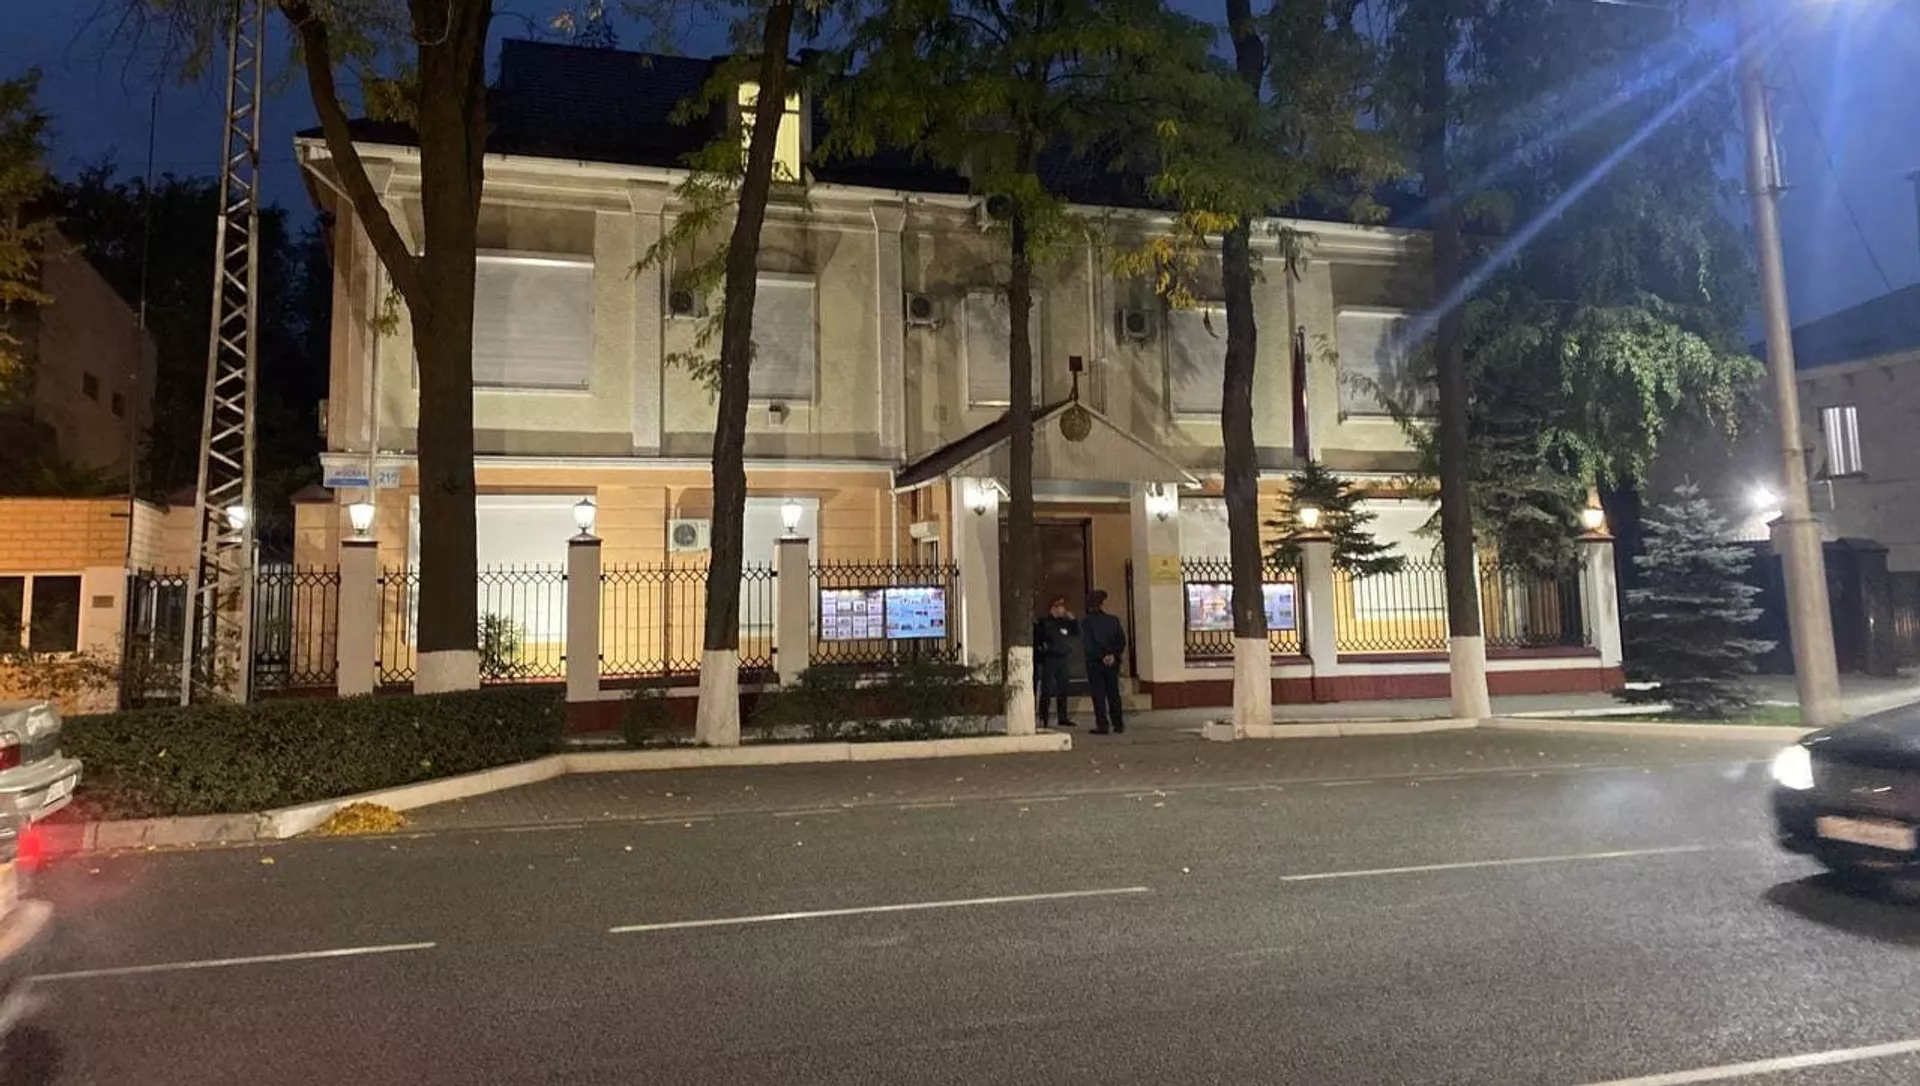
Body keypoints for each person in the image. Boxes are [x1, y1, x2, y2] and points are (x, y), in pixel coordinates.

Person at [1080, 589, 1128, 734]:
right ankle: (1118, 724)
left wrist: (1101, 656)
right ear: (1102, 604)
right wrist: (1112, 655)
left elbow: (1088, 644)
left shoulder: (1086, 623)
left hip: (1095, 663)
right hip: (1112, 663)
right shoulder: (1113, 620)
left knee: (1098, 695)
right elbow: (1121, 641)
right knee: (1113, 693)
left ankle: (1102, 725)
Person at [1032, 597, 1078, 729]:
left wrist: (1073, 620)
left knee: (1063, 688)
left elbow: (1076, 633)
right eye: (1061, 607)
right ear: (1054, 608)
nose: (1064, 609)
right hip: (1050, 658)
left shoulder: (1065, 623)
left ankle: (1063, 717)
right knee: (1047, 689)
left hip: (1063, 658)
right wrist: (1044, 650)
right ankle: (1044, 717)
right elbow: (1038, 640)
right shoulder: (1044, 622)